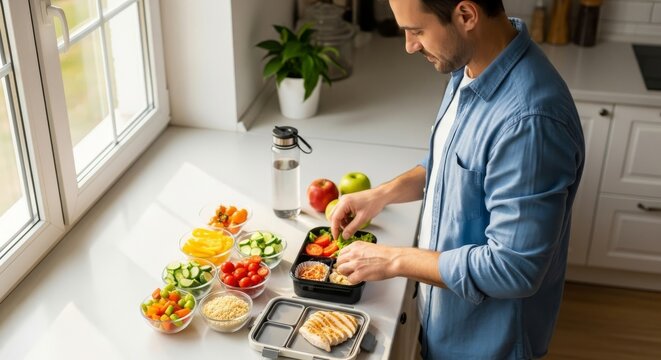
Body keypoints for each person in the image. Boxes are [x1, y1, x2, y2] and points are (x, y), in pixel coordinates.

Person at [329, 0, 585, 359]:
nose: (409, 46)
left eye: (416, 31)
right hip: (447, 322)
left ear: (465, 16)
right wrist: (381, 195)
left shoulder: (530, 122)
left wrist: (394, 260)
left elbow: (514, 269)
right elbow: (449, 165)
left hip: (488, 343)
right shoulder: (471, 64)